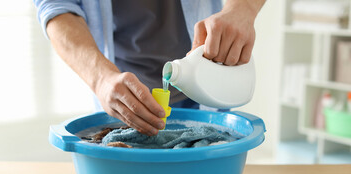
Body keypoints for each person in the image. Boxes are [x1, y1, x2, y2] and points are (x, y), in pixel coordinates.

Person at [34, 0, 265, 136]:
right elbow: (56, 6)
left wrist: (242, 9)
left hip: (209, 76)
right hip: (122, 90)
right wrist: (101, 79)